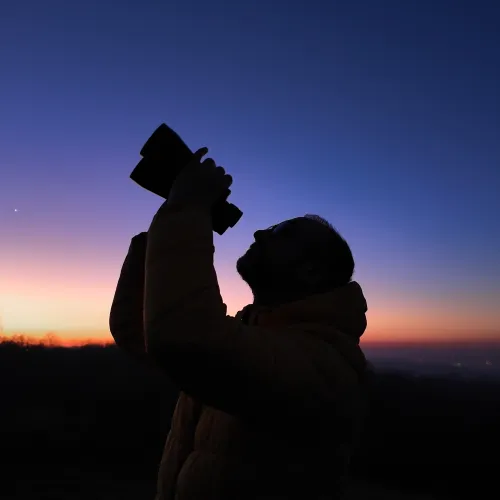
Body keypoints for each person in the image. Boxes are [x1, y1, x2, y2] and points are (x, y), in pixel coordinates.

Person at [110, 148, 369, 500]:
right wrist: (170, 221)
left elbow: (182, 339)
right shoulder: (250, 337)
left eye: (284, 233)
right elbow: (138, 333)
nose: (262, 232)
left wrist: (189, 209)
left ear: (311, 270)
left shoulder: (324, 368)